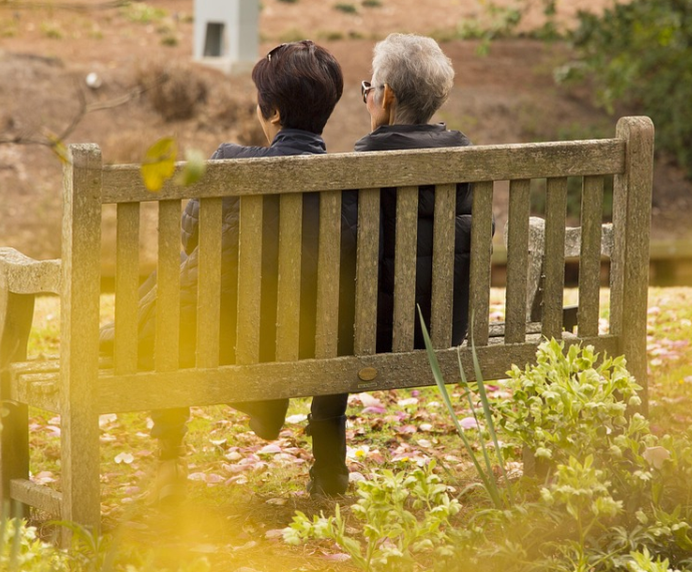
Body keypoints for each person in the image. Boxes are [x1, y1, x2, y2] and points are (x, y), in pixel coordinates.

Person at [106, 40, 349, 499]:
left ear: (273, 112)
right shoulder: (352, 180)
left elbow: (190, 238)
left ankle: (170, 462)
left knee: (173, 292)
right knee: (177, 284)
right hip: (314, 339)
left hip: (226, 338)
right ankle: (315, 455)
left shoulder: (231, 163)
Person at [355, 33, 476, 352]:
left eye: (369, 89)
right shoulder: (465, 161)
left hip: (375, 339)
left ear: (388, 96)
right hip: (447, 332)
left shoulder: (363, 167)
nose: (367, 97)